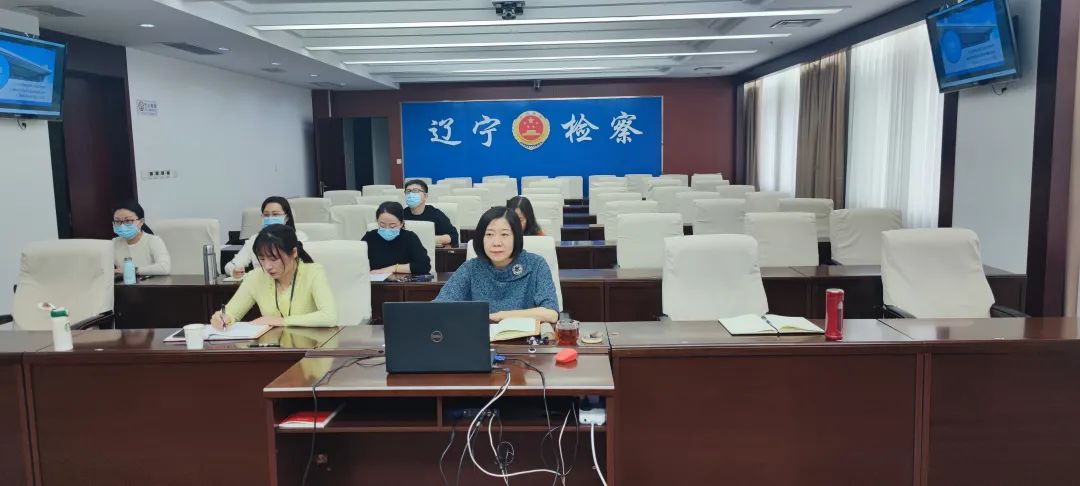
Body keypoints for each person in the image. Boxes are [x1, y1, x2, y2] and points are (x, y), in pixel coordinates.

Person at [435, 206, 559, 323]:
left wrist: (502, 316)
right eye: (489, 234)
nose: (496, 243)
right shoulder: (471, 268)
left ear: (516, 237)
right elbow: (438, 307)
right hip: (479, 336)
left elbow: (551, 313)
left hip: (526, 338)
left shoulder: (536, 265)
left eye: (504, 234)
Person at [211, 224, 337, 328]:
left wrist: (281, 321)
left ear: (293, 252)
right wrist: (222, 317)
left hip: (310, 346)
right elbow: (231, 312)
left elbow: (329, 316)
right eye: (262, 259)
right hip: (272, 346)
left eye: (274, 259)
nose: (267, 266)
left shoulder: (314, 272)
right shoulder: (256, 277)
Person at [224, 197, 309, 278]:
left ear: (286, 218)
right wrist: (234, 270)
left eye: (275, 214)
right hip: (262, 284)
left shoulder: (299, 237)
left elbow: (304, 266)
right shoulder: (254, 239)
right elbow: (230, 266)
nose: (270, 218)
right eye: (266, 215)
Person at [361, 201, 432, 274]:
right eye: (382, 225)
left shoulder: (410, 238)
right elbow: (357, 262)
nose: (387, 229)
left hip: (402, 280)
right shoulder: (369, 237)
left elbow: (424, 266)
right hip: (374, 280)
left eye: (392, 226)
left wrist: (393, 268)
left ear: (401, 224)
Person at [111, 201, 171, 276]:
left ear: (141, 222)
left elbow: (164, 268)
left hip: (152, 282)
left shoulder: (153, 240)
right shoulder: (114, 242)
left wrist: (132, 270)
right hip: (124, 283)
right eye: (117, 221)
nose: (122, 226)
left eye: (128, 221)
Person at [401, 179, 459, 247]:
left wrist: (428, 239)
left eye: (415, 191)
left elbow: (454, 236)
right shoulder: (401, 214)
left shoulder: (435, 214)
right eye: (408, 191)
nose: (411, 194)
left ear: (425, 196)